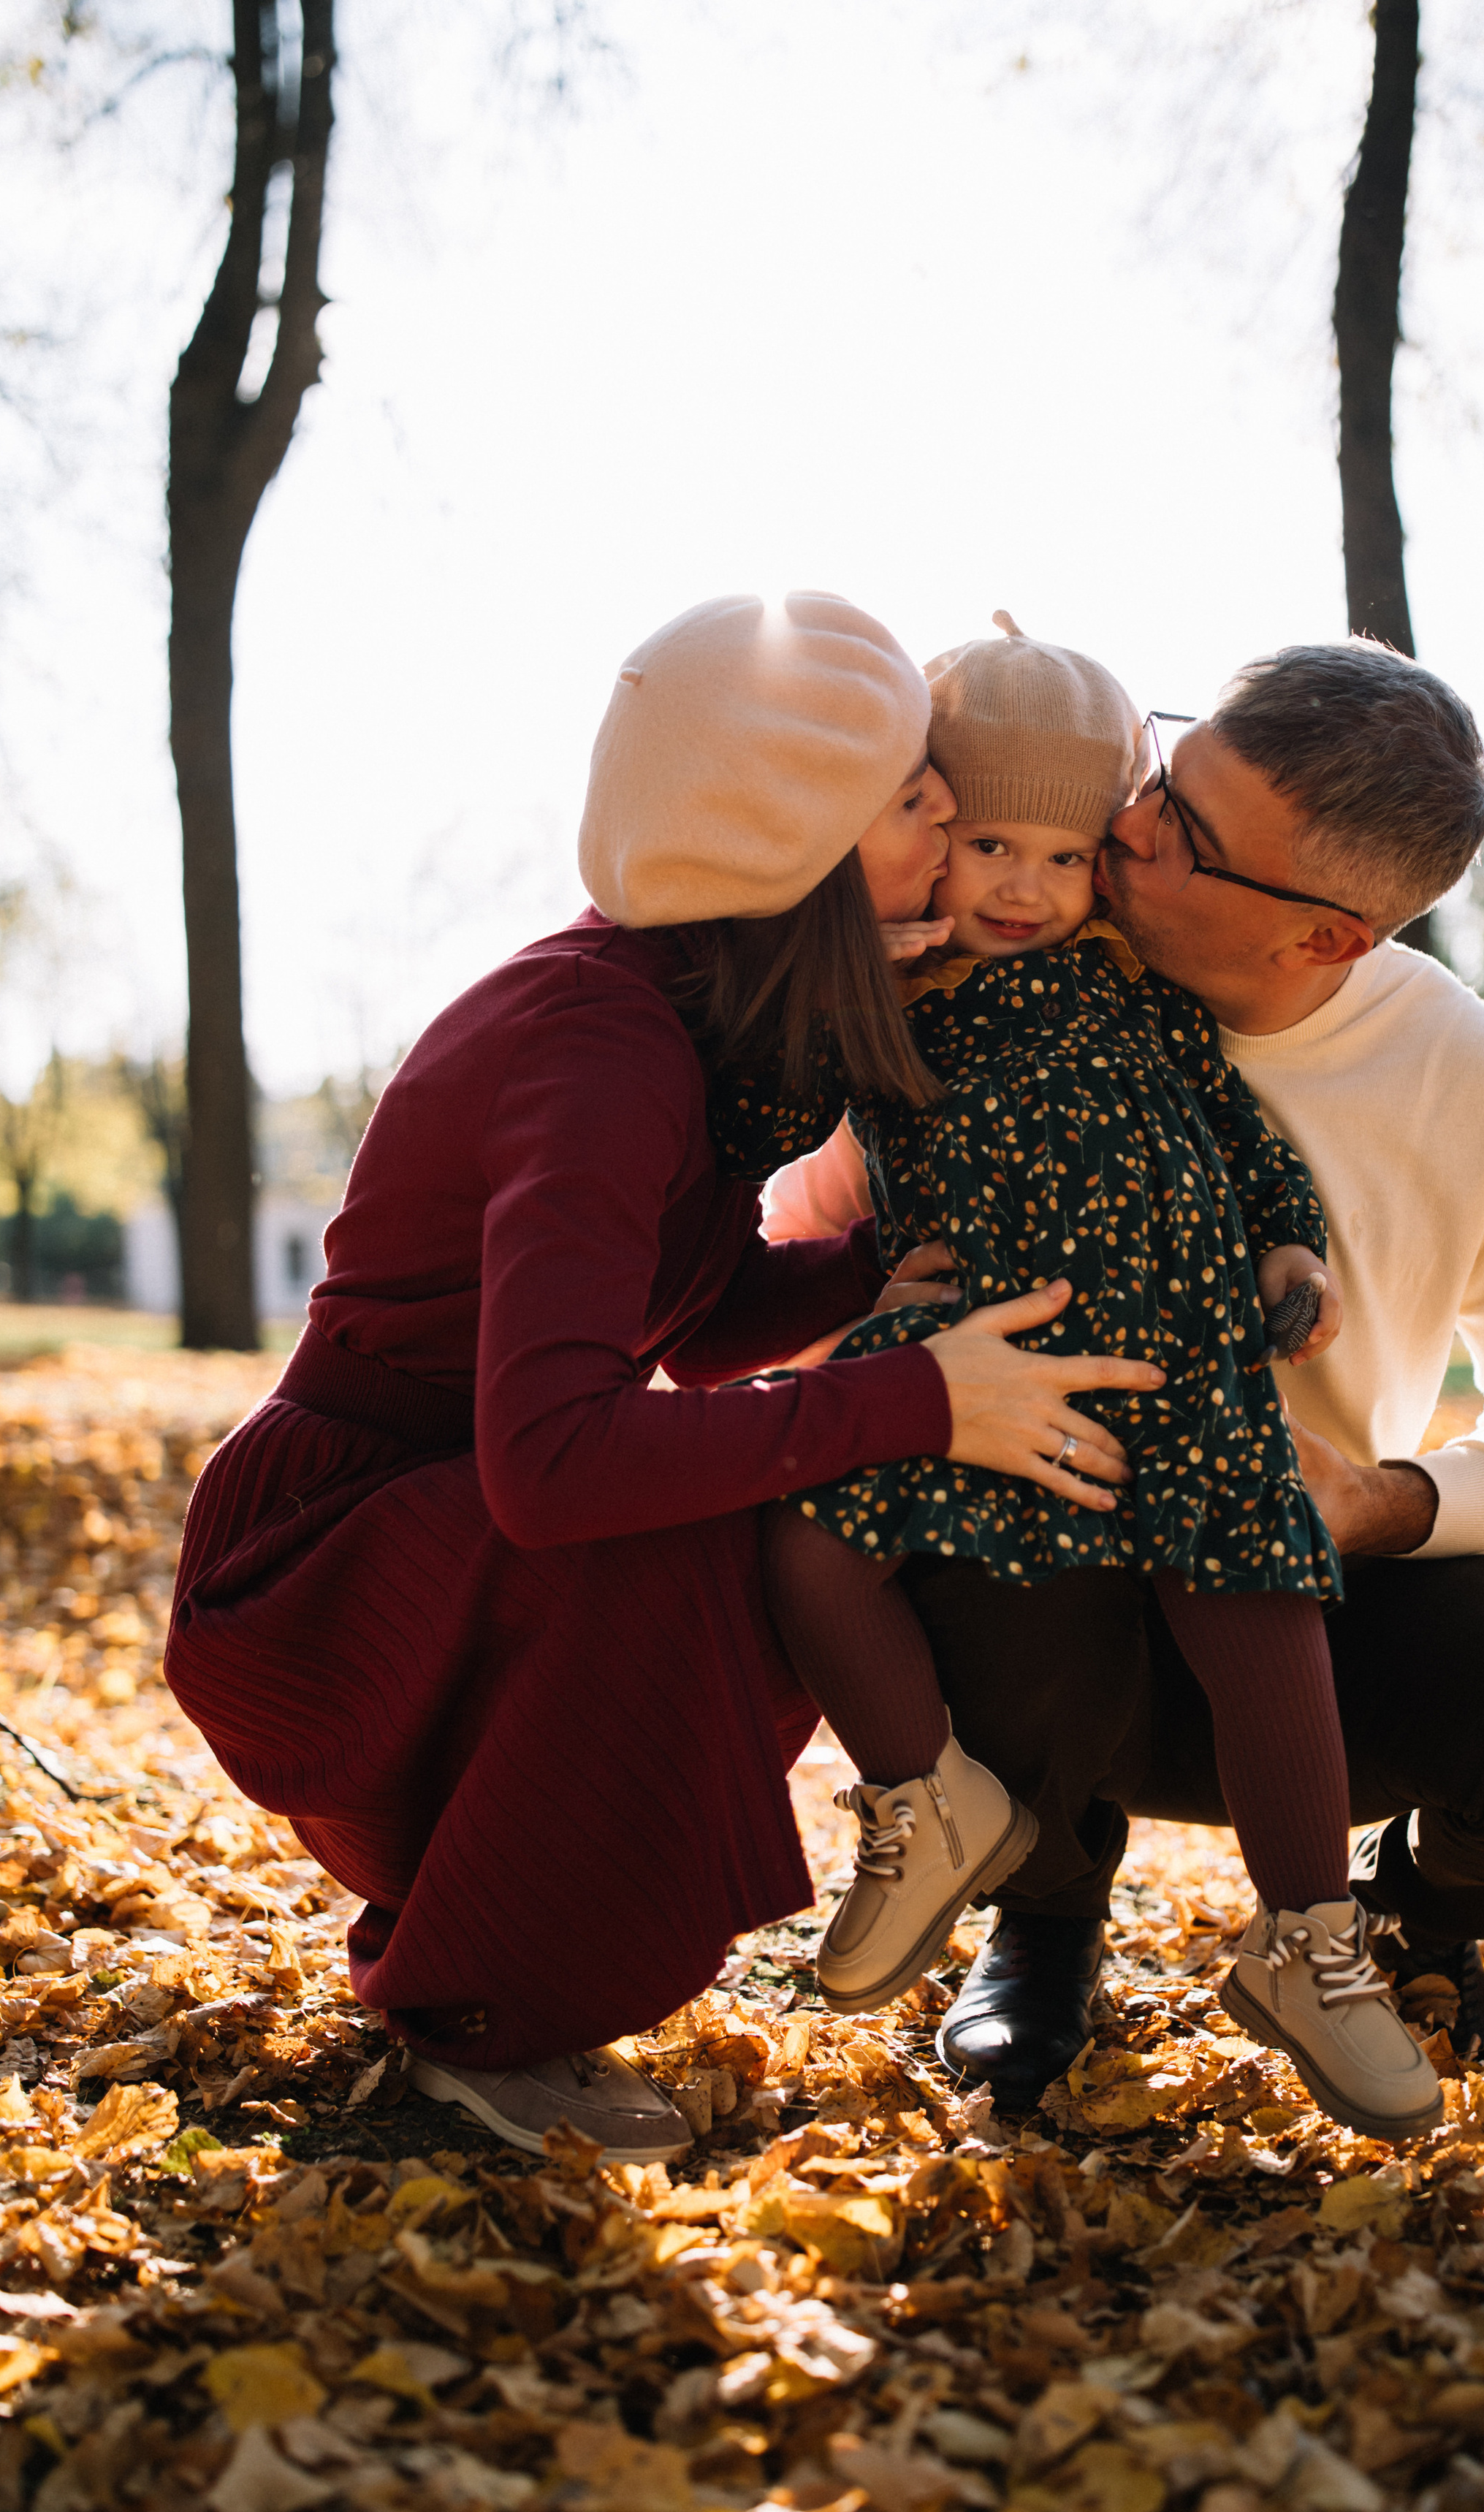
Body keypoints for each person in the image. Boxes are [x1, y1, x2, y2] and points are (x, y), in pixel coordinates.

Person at [163, 590, 1162, 2161]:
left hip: (431, 1525)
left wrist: (869, 1276)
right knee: (726, 1525)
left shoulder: (683, 1007)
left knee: (751, 1488)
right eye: (912, 798)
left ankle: (505, 1941)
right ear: (792, 838)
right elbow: (553, 1462)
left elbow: (691, 1325)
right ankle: (484, 2011)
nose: (948, 822)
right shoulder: (598, 1046)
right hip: (332, 1574)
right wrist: (919, 1396)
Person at [788, 639, 1484, 2112]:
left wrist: (1384, 1502)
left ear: (1326, 936)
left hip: (1287, 1581)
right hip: (1039, 1556)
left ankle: (1389, 1923)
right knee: (978, 1524)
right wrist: (867, 1316)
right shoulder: (986, 966)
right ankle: (1044, 1915)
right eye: (1163, 772)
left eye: (1186, 834)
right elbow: (800, 1240)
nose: (1127, 825)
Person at [760, 617, 1442, 2141]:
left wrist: (1286, 1239)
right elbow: (767, 1107)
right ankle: (924, 1799)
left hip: (1187, 1352)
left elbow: (1234, 1126)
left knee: (1262, 1622)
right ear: (925, 830)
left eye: (1066, 856)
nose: (1025, 887)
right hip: (984, 1353)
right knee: (806, 1539)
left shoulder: (1134, 985)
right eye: (989, 845)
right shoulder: (878, 1003)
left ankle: (1309, 1939)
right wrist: (854, 961)